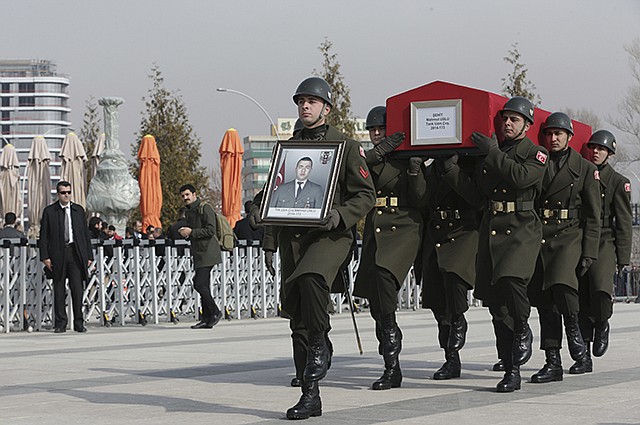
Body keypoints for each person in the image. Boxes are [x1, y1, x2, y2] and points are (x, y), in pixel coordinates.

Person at [253, 76, 375, 419]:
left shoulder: (346, 146)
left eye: (311, 101)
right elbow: (273, 195)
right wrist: (262, 226)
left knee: (311, 279)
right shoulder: (289, 148)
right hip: (293, 240)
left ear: (326, 107)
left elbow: (366, 195)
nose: (305, 106)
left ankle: (323, 338)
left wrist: (339, 215)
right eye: (301, 101)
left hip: (330, 236)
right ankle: (310, 395)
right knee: (298, 318)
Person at [442, 96, 548, 392]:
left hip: (521, 229)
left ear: (527, 124)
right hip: (492, 229)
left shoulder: (536, 154)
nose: (507, 123)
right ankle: (511, 367)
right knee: (497, 305)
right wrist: (451, 170)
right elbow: (477, 196)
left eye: (514, 119)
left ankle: (524, 326)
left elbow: (521, 177)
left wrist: (492, 153)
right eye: (504, 119)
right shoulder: (492, 153)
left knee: (512, 281)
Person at [526, 112, 601, 384]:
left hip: (569, 233)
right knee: (544, 299)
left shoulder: (583, 167)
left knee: (562, 285)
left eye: (559, 134)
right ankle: (552, 361)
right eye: (549, 133)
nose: (553, 138)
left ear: (569, 136)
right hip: (540, 234)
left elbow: (594, 214)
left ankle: (578, 343)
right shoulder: (538, 162)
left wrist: (590, 251)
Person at [352, 105, 421, 390]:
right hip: (375, 229)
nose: (377, 134)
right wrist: (379, 153)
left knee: (383, 282)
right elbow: (355, 170)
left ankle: (391, 365)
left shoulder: (404, 159)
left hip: (402, 226)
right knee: (376, 302)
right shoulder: (367, 158)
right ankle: (391, 358)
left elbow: (420, 198)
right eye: (373, 130)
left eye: (382, 129)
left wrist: (416, 171)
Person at [417, 153, 481, 381]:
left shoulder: (469, 164)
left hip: (463, 230)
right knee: (437, 302)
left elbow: (475, 197)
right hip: (436, 232)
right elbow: (421, 201)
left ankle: (459, 318)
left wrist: (452, 168)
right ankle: (451, 359)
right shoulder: (431, 167)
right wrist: (416, 171)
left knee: (455, 278)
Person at [574, 130, 632, 373]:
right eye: (593, 148)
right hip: (580, 238)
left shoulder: (618, 182)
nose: (595, 152)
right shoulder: (582, 175)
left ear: (609, 153)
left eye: (601, 148)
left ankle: (602, 322)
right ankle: (583, 356)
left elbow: (625, 221)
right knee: (580, 297)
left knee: (599, 290)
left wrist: (623, 258)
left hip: (605, 240)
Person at [39, 181, 93, 333]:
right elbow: (43, 236)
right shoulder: (50, 211)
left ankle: (79, 322)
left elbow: (85, 235)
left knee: (77, 289)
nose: (66, 195)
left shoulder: (78, 210)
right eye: (63, 193)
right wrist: (45, 257)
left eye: (69, 192)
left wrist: (89, 255)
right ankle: (60, 323)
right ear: (58, 194)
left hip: (75, 253)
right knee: (59, 289)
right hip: (57, 254)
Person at [178, 184, 223, 329]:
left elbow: (211, 230)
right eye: (183, 196)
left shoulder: (205, 208)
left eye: (187, 195)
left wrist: (191, 232)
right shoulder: (189, 212)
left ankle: (215, 311)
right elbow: (194, 232)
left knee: (199, 283)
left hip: (208, 252)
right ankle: (206, 318)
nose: (185, 198)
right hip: (197, 252)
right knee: (204, 285)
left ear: (194, 194)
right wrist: (186, 234)